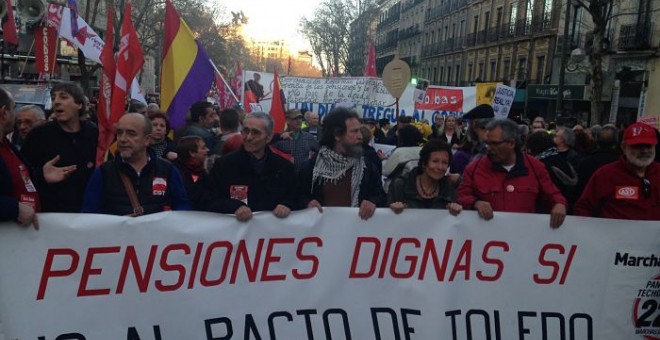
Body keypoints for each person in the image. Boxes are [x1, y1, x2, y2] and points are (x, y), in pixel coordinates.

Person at [457, 119, 567, 229]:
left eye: (494, 143)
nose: (489, 148)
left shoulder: (535, 167)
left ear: (511, 143)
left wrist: (559, 204)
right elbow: (461, 196)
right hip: (486, 236)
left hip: (523, 236)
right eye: (487, 143)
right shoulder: (474, 168)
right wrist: (475, 203)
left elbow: (553, 194)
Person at [82, 113, 191, 215]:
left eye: (131, 134)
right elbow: (90, 216)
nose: (123, 139)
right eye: (119, 133)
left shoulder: (167, 170)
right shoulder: (103, 173)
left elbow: (182, 209)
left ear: (147, 140)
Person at [207, 112, 299, 222]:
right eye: (246, 131)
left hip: (272, 234)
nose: (249, 137)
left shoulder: (284, 167)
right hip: (236, 235)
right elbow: (210, 199)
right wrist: (234, 206)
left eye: (256, 133)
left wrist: (287, 204)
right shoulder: (224, 165)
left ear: (268, 137)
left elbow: (296, 195)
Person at [21, 82, 98, 213]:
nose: (56, 102)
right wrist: (41, 174)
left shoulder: (94, 133)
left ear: (79, 104)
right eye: (53, 98)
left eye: (63, 97)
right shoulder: (38, 135)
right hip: (50, 215)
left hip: (88, 214)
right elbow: (21, 173)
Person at [299, 107, 386, 220]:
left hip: (355, 232)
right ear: (337, 135)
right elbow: (296, 195)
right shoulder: (311, 167)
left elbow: (380, 196)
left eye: (359, 131)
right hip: (320, 234)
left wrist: (372, 202)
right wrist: (307, 203)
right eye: (354, 131)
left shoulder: (367, 167)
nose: (360, 136)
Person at [574, 122, 660, 220]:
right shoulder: (605, 175)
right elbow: (583, 208)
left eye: (649, 146)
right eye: (638, 146)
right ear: (623, 147)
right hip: (613, 234)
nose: (644, 151)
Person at [388, 140, 462, 214]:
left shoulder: (449, 190)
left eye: (444, 163)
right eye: (435, 161)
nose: (440, 167)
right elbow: (385, 217)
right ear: (424, 163)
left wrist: (455, 209)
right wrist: (393, 208)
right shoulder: (400, 185)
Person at [174, 136, 212, 211]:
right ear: (192, 153)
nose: (207, 150)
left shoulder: (204, 173)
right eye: (203, 148)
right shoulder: (176, 173)